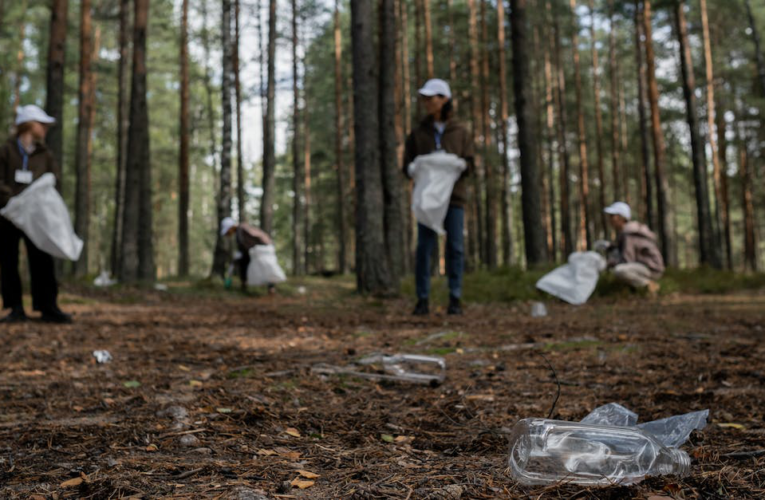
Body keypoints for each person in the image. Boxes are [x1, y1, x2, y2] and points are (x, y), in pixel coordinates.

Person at [403, 79, 474, 316]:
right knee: (424, 248)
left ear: (444, 99)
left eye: (431, 98)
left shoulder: (461, 131)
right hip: (427, 201)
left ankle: (455, 297)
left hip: (453, 199)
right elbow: (406, 165)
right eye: (424, 98)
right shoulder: (418, 133)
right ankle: (422, 299)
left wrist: (459, 165)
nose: (426, 103)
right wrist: (413, 169)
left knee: (455, 247)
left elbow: (471, 164)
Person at [0, 105, 71, 324]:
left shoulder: (44, 154)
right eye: (42, 124)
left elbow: (54, 180)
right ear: (29, 125)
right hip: (8, 214)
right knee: (9, 260)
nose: (45, 128)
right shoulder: (7, 150)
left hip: (36, 216)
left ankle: (48, 306)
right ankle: (15, 307)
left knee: (42, 258)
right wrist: (10, 200)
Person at [604, 202, 664, 294]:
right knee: (619, 267)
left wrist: (610, 263)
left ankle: (648, 285)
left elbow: (627, 260)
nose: (610, 219)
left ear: (621, 218)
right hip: (646, 266)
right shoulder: (628, 231)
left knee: (619, 270)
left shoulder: (629, 234)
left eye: (613, 216)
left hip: (652, 268)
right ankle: (635, 290)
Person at [220, 217, 275, 294]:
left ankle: (268, 287)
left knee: (261, 265)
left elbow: (247, 244)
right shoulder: (241, 229)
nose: (228, 234)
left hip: (260, 249)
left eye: (228, 231)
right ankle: (268, 287)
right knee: (254, 264)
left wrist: (240, 256)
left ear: (231, 227)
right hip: (260, 249)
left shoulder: (240, 230)